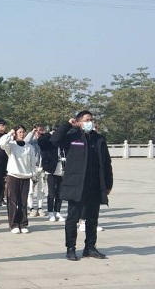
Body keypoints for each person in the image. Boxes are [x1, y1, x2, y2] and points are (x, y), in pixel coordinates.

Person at [51, 110, 113, 261]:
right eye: (86, 120)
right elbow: (54, 139)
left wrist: (108, 183)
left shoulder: (99, 139)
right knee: (73, 219)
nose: (90, 122)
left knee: (92, 219)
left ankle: (90, 247)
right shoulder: (72, 138)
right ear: (79, 122)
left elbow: (106, 163)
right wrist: (67, 125)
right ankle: (71, 248)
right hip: (77, 185)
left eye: (91, 119)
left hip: (94, 185)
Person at [0, 125, 37, 234]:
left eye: (23, 132)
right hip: (13, 176)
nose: (22, 134)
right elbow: (2, 143)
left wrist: (33, 175)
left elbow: (32, 163)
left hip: (25, 176)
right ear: (15, 133)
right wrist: (10, 133)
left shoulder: (29, 147)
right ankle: (14, 224)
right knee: (12, 201)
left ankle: (23, 224)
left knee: (23, 202)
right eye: (19, 132)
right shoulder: (11, 145)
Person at [37, 125, 66, 222]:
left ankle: (57, 211)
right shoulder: (48, 141)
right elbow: (40, 142)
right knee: (52, 193)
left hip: (62, 169)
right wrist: (49, 134)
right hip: (51, 170)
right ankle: (50, 212)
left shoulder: (62, 141)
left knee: (60, 193)